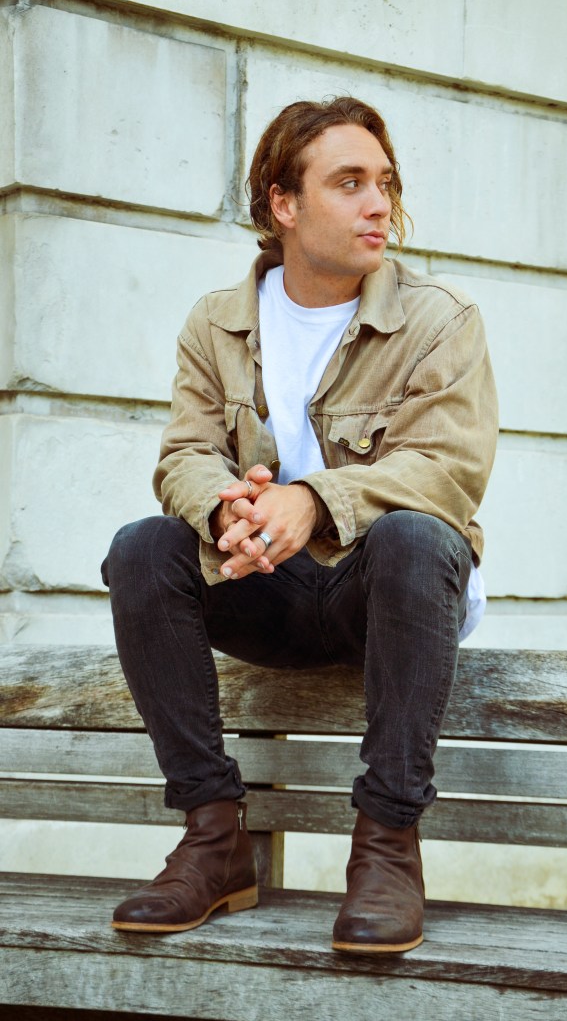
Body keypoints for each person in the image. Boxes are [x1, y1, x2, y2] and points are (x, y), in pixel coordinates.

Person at [102, 96, 498, 954]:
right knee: (143, 548)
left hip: (383, 597)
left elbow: (447, 469)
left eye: (385, 183)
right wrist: (229, 509)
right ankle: (214, 838)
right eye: (349, 183)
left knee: (418, 534)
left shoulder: (440, 320)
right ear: (283, 203)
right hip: (268, 590)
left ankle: (388, 845)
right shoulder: (217, 321)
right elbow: (185, 452)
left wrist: (312, 500)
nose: (378, 204)